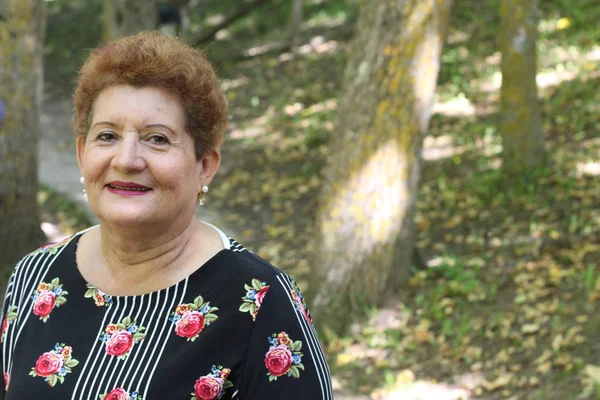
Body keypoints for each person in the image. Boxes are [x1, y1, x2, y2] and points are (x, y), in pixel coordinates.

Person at [0, 31, 333, 400]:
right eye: (107, 136)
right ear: (82, 154)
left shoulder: (259, 302)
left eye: (157, 138)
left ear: (205, 166)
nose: (126, 160)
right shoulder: (34, 277)